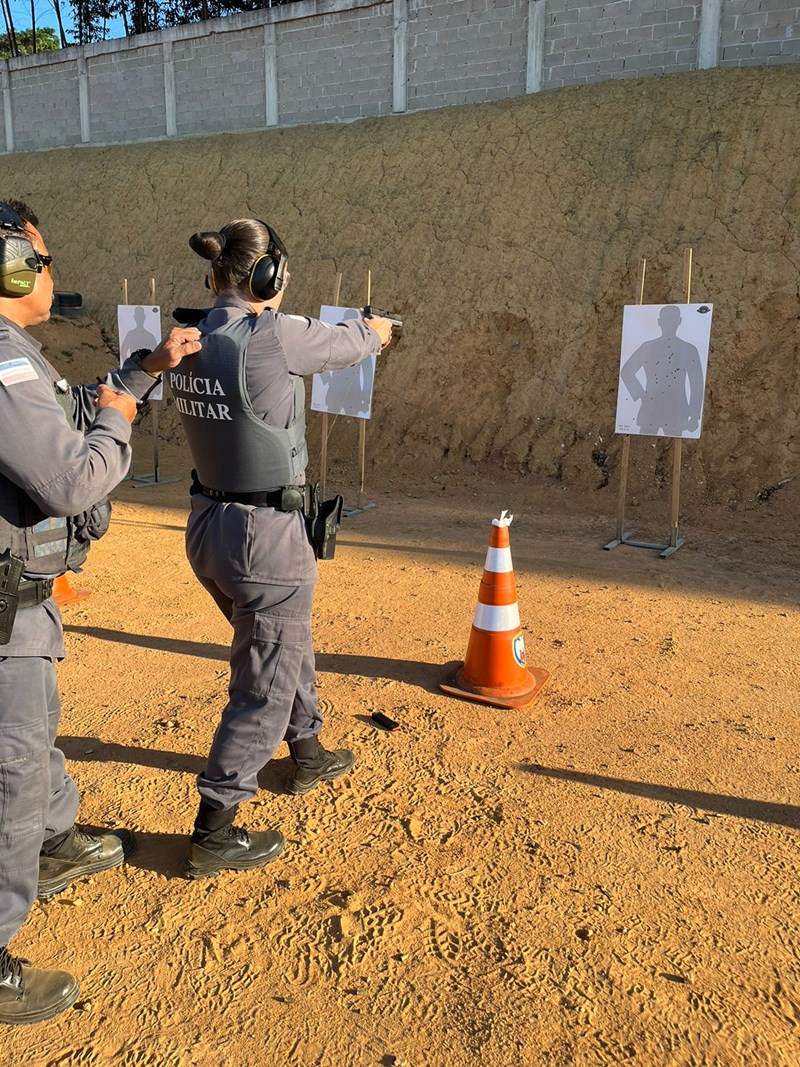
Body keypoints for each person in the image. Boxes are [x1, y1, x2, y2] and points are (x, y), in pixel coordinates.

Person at [0, 199, 201, 1025]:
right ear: (8, 262)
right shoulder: (1, 365)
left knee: (34, 735)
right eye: (40, 261)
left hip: (21, 609)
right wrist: (122, 419)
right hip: (3, 617)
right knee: (9, 772)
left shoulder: (17, 358)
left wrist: (139, 373)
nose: (51, 275)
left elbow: (64, 412)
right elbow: (72, 478)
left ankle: (53, 842)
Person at [168, 217, 392, 880]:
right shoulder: (273, 335)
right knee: (261, 683)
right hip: (264, 540)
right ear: (270, 276)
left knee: (279, 643)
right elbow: (352, 343)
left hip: (209, 528)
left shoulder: (187, 333)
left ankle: (311, 747)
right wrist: (377, 329)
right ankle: (214, 826)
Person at [619, 305, 705, 437]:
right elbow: (626, 372)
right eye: (667, 320)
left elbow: (697, 384)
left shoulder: (689, 350)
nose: (670, 323)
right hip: (652, 408)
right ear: (659, 322)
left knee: (673, 448)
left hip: (675, 411)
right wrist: (641, 394)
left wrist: (694, 416)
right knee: (642, 448)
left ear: (679, 321)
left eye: (672, 319)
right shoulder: (648, 347)